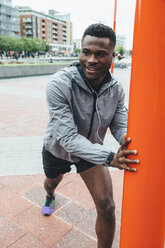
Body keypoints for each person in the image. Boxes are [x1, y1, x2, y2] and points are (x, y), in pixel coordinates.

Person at [41, 23, 139, 248]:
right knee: (51, 182)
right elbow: (67, 138)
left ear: (113, 55)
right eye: (86, 52)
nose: (92, 59)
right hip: (58, 149)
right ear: (81, 51)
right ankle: (50, 193)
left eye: (101, 54)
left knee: (107, 207)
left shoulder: (116, 89)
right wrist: (110, 157)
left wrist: (128, 142)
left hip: (92, 152)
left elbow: (120, 124)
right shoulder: (58, 84)